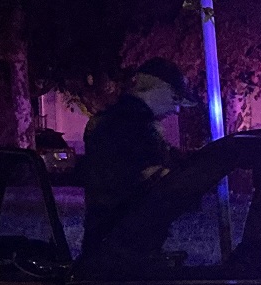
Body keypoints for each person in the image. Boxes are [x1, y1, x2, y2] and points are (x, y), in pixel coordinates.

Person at [82, 58, 192, 247]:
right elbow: (149, 181)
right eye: (175, 98)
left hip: (105, 241)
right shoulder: (136, 127)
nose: (176, 110)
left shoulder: (113, 122)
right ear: (155, 88)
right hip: (124, 247)